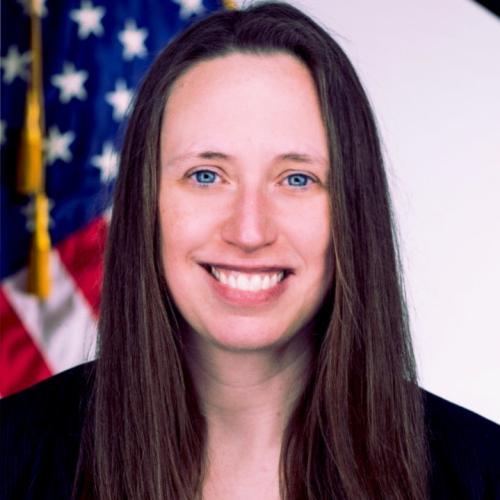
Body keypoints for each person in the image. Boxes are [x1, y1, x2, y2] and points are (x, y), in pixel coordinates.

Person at [1, 2, 499, 499]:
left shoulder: (483, 474)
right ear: (145, 202)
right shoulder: (11, 460)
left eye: (297, 178)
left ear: (352, 208)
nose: (249, 230)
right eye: (206, 175)